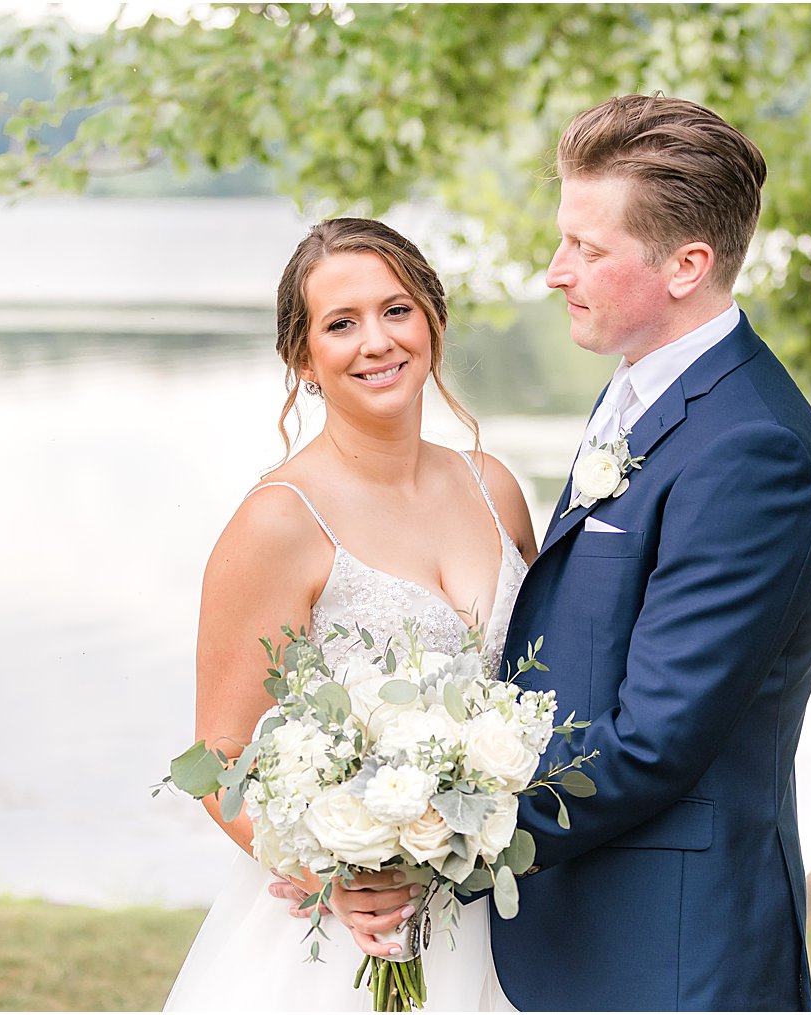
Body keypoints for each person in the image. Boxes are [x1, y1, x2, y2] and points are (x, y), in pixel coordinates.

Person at [296, 94, 811, 1010]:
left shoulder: (753, 450)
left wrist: (429, 842)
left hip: (672, 950)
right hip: (583, 929)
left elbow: (651, 742)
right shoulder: (641, 391)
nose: (556, 272)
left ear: (688, 265)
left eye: (588, 249)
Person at [163, 217, 536, 1011]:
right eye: (341, 323)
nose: (377, 341)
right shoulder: (279, 520)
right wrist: (325, 875)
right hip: (347, 942)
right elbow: (219, 755)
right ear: (303, 359)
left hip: (502, 921)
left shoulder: (493, 485)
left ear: (431, 321)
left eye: (396, 310)